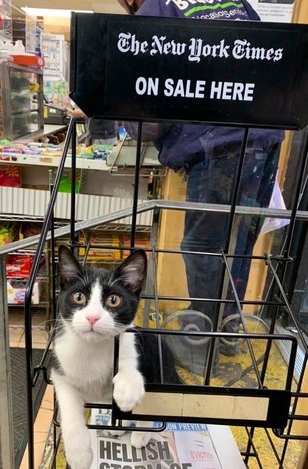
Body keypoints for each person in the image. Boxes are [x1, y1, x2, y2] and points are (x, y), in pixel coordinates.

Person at [117, 0, 284, 373]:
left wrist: (128, 123)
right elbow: (272, 56)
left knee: (202, 247)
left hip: (219, 146)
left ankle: (200, 341)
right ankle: (227, 334)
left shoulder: (156, 11)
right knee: (240, 245)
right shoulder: (235, 2)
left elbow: (144, 100)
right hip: (267, 138)